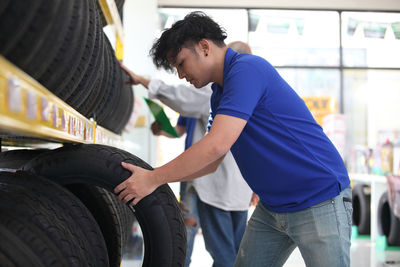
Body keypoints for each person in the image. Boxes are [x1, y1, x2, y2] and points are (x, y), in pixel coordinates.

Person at [115, 11, 352, 267]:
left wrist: (154, 178)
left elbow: (217, 145)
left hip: (319, 197)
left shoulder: (247, 69)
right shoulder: (219, 93)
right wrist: (158, 179)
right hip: (273, 206)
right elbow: (211, 162)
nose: (181, 75)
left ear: (204, 46)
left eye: (181, 63)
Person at [120, 41, 253, 267]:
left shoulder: (216, 92)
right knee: (234, 249)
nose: (183, 75)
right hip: (234, 186)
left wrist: (141, 80)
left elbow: (177, 95)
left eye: (182, 65)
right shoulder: (242, 93)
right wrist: (165, 130)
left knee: (221, 251)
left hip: (212, 184)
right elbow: (181, 126)